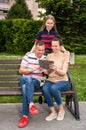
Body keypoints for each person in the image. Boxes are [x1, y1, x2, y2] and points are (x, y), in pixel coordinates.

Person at [18, 41, 46, 128]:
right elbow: (21, 71)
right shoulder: (28, 56)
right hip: (25, 78)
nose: (40, 52)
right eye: (39, 50)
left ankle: (25, 115)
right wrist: (33, 69)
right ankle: (31, 104)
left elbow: (47, 72)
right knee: (28, 79)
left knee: (25, 87)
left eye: (42, 50)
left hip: (36, 82)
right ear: (35, 49)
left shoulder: (45, 58)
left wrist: (44, 70)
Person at [42, 38, 70, 121]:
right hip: (51, 80)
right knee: (45, 89)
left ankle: (61, 110)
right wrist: (44, 70)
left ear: (60, 46)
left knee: (54, 88)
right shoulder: (49, 56)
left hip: (63, 81)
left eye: (56, 46)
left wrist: (56, 68)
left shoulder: (65, 56)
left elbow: (63, 73)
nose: (54, 48)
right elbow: (47, 72)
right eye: (52, 46)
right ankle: (53, 112)